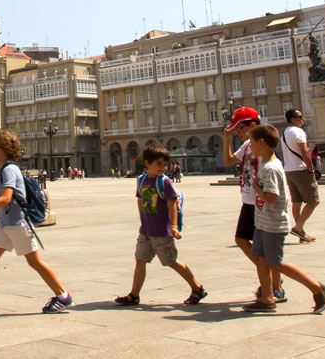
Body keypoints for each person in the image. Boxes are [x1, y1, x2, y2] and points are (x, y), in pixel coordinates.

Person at [0, 128, 73, 314]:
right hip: (6, 226)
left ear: (5, 149)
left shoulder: (9, 170)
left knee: (35, 262)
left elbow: (6, 198)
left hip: (18, 225)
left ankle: (63, 296)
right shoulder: (3, 169)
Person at [242, 124, 325, 314]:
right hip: (263, 222)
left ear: (262, 143)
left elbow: (271, 197)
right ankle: (266, 298)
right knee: (260, 259)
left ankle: (316, 288)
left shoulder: (271, 168)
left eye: (252, 143)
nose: (250, 147)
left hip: (273, 224)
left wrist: (257, 188)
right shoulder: (266, 165)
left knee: (275, 262)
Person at [114, 144, 206, 307]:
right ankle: (134, 295)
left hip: (162, 231)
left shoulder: (165, 182)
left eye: (165, 164)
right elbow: (140, 200)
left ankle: (197, 287)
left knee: (171, 261)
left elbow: (172, 205)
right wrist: (143, 220)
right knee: (140, 260)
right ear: (147, 163)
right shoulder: (141, 180)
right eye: (159, 164)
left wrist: (175, 227)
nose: (163, 167)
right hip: (146, 231)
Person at [222, 107, 284, 301]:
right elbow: (228, 161)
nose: (238, 132)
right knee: (242, 239)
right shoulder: (248, 145)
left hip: (260, 201)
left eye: (240, 128)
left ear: (253, 126)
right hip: (249, 200)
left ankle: (274, 285)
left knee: (265, 250)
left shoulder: (260, 144)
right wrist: (227, 140)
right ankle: (268, 277)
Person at [281, 109, 318, 243]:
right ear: (293, 119)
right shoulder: (298, 132)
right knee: (313, 200)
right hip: (300, 169)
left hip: (289, 170)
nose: (302, 119)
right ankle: (298, 228)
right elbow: (305, 153)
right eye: (300, 117)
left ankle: (301, 232)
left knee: (296, 202)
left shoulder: (285, 133)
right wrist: (311, 170)